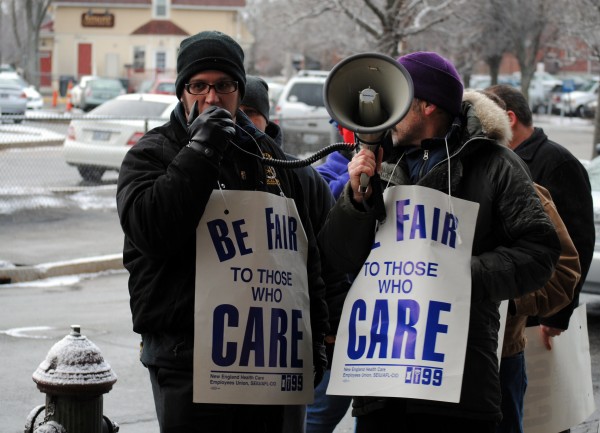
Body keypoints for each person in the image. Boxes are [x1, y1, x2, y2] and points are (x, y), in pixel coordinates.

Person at [317, 51, 561, 433]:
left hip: (459, 385)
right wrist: (356, 199)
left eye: (400, 100)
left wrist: (459, 276)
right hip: (382, 383)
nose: (389, 113)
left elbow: (540, 252)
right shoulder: (382, 163)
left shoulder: (495, 164)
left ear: (429, 105)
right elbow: (338, 255)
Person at [116, 31, 329, 433]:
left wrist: (315, 336)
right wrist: (201, 151)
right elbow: (152, 230)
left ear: (238, 89)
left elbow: (304, 253)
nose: (212, 98)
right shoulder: (152, 153)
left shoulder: (268, 155)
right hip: (188, 361)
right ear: (183, 91)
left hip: (270, 358)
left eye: (224, 86)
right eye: (199, 86)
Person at [240, 74, 354, 432]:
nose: (239, 120)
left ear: (266, 120)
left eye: (249, 112)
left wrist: (330, 333)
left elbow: (327, 264)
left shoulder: (299, 177)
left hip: (286, 340)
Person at [485, 84, 595, 433]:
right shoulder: (500, 164)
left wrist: (556, 315)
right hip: (515, 312)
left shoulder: (557, 162)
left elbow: (577, 243)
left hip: (537, 311)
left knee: (547, 412)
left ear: (509, 118)